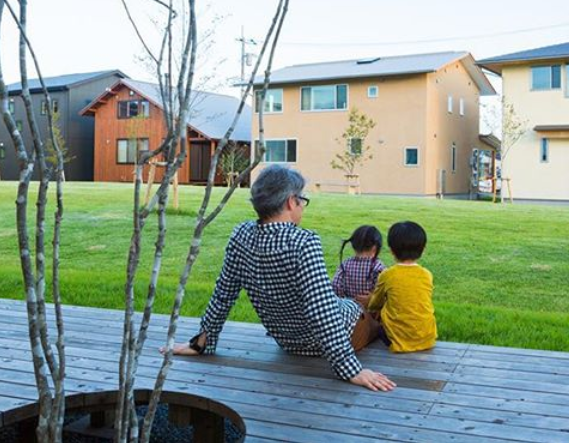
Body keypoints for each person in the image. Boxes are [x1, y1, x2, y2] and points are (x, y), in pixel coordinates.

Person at [163, 165, 395, 392]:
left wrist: (201, 342)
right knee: (379, 319)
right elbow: (322, 312)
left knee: (356, 305)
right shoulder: (304, 242)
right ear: (290, 201)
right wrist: (351, 370)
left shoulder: (241, 235)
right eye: (302, 200)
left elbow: (224, 293)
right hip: (347, 329)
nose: (302, 206)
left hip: (289, 342)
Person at [367, 221, 437, 353]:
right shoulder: (427, 275)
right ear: (423, 249)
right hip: (427, 338)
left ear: (392, 250)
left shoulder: (387, 275)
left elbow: (375, 304)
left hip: (395, 339)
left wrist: (371, 308)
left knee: (377, 325)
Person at [332, 225, 386, 308]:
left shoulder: (345, 265)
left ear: (353, 245)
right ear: (375, 247)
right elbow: (385, 294)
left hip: (349, 313)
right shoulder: (378, 267)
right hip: (371, 316)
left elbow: (336, 286)